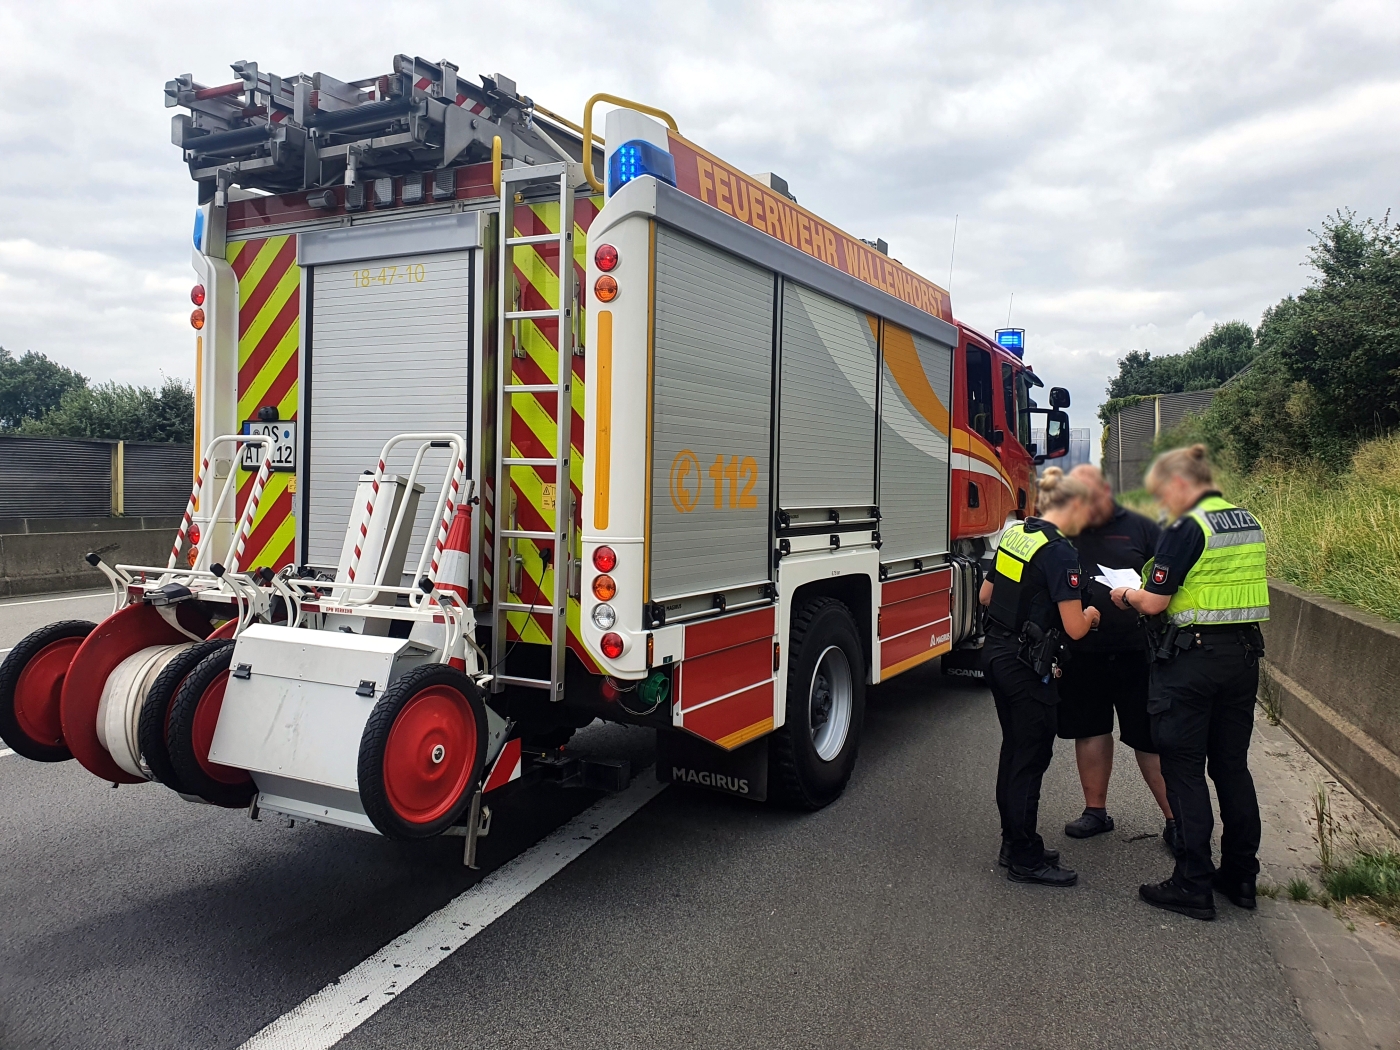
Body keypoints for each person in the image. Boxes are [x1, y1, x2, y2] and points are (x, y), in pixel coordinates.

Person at [1111, 445, 1268, 921]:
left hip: (1191, 661)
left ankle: (1192, 882)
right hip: (1242, 658)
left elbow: (1156, 601)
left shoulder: (1188, 527)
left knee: (1183, 769)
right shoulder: (1247, 522)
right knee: (1232, 768)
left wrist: (1124, 594)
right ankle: (1240, 876)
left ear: (1182, 483)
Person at [980, 468, 1101, 887]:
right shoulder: (1060, 553)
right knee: (1030, 758)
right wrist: (1092, 613)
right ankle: (1026, 860)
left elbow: (985, 595)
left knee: (1014, 751)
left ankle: (1015, 843)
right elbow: (1074, 628)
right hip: (1026, 666)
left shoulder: (1016, 535)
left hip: (996, 654)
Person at [1057, 465, 1178, 852]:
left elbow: (1170, 579)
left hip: (1136, 651)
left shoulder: (1142, 528)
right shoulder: (1066, 528)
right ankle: (1096, 811)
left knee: (1149, 738)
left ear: (1106, 492)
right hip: (1084, 652)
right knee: (1089, 729)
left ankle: (1176, 820)